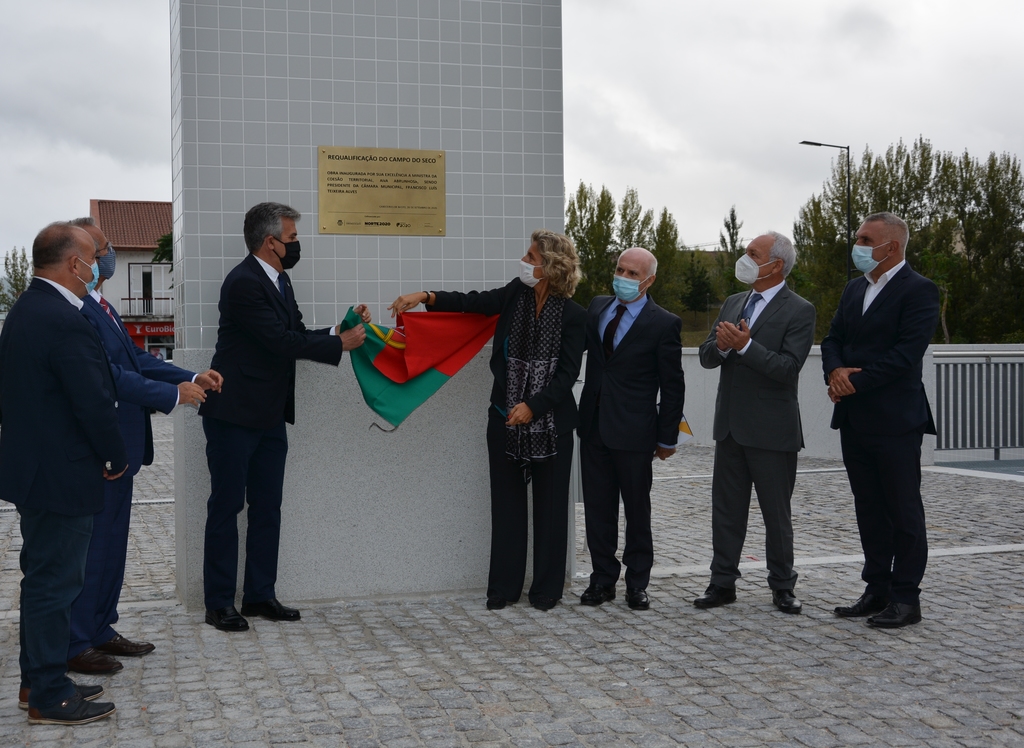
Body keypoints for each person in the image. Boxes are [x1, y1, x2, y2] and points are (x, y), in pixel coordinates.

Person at [389, 230, 586, 611]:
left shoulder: (575, 316)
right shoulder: (515, 293)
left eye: (531, 257)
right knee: (507, 506)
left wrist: (534, 405)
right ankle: (504, 588)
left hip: (551, 425)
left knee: (550, 509)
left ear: (551, 267)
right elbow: (472, 304)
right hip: (505, 418)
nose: (524, 262)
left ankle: (546, 589)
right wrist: (424, 296)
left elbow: (567, 374)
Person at [199, 202, 369, 632]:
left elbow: (297, 330)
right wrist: (340, 347)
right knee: (226, 506)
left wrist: (339, 329)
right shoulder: (243, 282)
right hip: (234, 414)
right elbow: (278, 341)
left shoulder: (280, 280)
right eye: (292, 239)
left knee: (267, 508)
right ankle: (219, 602)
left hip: (270, 415)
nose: (296, 246)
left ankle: (259, 594)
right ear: (269, 242)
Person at [64, 217, 222, 674]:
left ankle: (100, 628)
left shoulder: (102, 304)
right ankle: (76, 641)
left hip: (123, 446)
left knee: (113, 544)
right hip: (100, 447)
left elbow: (137, 360)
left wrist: (190, 376)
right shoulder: (77, 310)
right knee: (93, 548)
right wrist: (173, 395)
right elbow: (113, 377)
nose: (106, 257)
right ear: (79, 260)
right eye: (101, 250)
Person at [0, 222, 127, 725]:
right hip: (62, 473)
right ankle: (50, 696)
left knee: (42, 580)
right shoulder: (62, 318)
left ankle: (38, 680)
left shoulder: (27, 309)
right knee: (55, 584)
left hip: (36, 470)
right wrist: (115, 457)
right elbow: (93, 401)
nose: (98, 264)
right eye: (94, 256)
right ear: (75, 265)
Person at [822, 211, 940, 628]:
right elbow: (833, 338)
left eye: (865, 239)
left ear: (892, 246)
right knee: (869, 508)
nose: (858, 246)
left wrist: (854, 382)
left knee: (903, 511)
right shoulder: (855, 289)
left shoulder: (919, 291)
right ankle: (877, 589)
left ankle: (907, 598)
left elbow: (906, 354)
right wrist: (834, 373)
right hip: (854, 419)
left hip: (895, 420)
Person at [694, 232, 815, 614]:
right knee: (726, 510)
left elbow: (788, 368)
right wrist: (724, 346)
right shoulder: (733, 302)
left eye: (752, 254)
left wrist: (746, 346)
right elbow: (706, 356)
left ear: (775, 265)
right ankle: (722, 582)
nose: (743, 259)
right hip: (730, 425)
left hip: (771, 429)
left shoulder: (799, 309)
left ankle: (782, 585)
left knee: (775, 514)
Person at [576, 247, 684, 611]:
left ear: (649, 280)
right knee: (597, 510)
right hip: (593, 427)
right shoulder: (597, 306)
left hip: (635, 432)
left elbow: (673, 385)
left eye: (633, 274)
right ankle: (602, 580)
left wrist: (667, 436)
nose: (623, 277)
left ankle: (637, 582)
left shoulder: (663, 322)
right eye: (620, 270)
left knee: (637, 510)